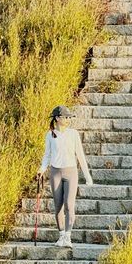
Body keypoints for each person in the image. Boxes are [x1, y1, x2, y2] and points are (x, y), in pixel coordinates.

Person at [37, 104, 93, 248]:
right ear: (57, 118)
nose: (68, 119)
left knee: (69, 204)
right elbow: (47, 155)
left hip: (71, 172)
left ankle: (68, 236)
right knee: (58, 206)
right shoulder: (50, 135)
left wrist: (87, 177)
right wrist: (42, 169)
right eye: (65, 117)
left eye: (69, 117)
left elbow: (80, 155)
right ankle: (61, 235)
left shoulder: (73, 134)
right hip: (55, 172)